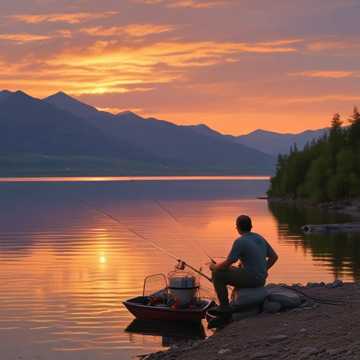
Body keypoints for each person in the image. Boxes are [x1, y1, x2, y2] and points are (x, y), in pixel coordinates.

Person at [209, 214, 278, 313]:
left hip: (252, 279)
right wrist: (263, 269)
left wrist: (214, 267)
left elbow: (228, 262)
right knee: (238, 266)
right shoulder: (259, 238)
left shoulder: (240, 241)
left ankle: (224, 307)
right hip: (261, 279)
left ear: (237, 227)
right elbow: (274, 257)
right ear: (251, 226)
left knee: (217, 273)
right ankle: (232, 300)